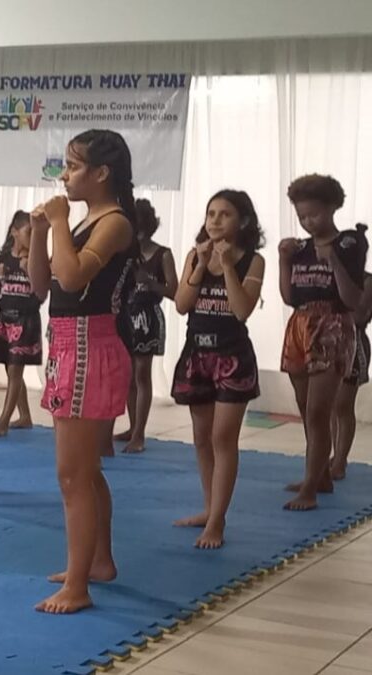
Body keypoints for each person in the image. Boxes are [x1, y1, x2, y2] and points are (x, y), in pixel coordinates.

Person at [28, 129, 136, 614]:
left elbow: (73, 277)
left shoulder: (114, 222)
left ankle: (78, 586)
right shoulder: (82, 222)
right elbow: (41, 286)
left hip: (92, 345)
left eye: (72, 167)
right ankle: (98, 562)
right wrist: (39, 232)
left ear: (101, 173)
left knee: (72, 475)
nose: (64, 175)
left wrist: (56, 221)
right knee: (84, 473)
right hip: (68, 344)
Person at [171, 190, 266, 549]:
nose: (215, 220)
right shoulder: (194, 255)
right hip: (198, 353)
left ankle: (218, 521)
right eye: (211, 213)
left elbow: (242, 310)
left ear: (241, 222)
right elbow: (181, 305)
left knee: (223, 438)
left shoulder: (252, 261)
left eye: (224, 214)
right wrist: (200, 265)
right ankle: (209, 507)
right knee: (201, 437)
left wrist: (226, 266)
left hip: (232, 355)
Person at [280, 175, 368, 510]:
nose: (307, 222)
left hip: (332, 324)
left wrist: (332, 260)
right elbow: (290, 297)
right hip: (300, 323)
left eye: (313, 215)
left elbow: (354, 299)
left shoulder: (349, 243)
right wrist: (283, 260)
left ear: (331, 208)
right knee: (305, 410)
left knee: (319, 411)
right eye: (302, 216)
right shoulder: (300, 249)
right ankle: (320, 475)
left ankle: (310, 490)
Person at [114, 199, 177, 453]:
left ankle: (139, 433)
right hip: (125, 315)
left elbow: (174, 290)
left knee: (142, 373)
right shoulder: (124, 254)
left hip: (148, 316)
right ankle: (133, 427)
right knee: (128, 376)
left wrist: (150, 284)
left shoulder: (162, 254)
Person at [0, 210, 44, 438]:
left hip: (25, 318)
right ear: (15, 232)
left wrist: (29, 269)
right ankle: (25, 415)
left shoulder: (37, 260)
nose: (32, 237)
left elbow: (41, 294)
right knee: (11, 369)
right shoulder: (3, 258)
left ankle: (4, 421)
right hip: (4, 317)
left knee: (16, 369)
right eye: (29, 232)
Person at [331, 269, 372, 480]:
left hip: (354, 343)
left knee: (343, 405)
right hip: (329, 340)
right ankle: (335, 455)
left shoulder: (366, 280)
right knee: (327, 405)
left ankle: (340, 460)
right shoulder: (330, 273)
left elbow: (360, 314)